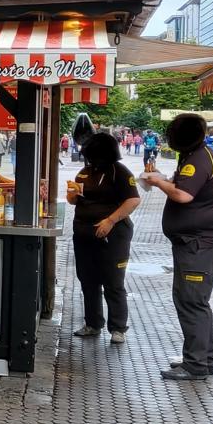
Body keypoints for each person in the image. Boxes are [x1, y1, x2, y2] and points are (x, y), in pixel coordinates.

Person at [141, 113, 213, 381]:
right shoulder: (198, 156)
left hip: (200, 246)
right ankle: (203, 358)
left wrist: (157, 182)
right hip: (199, 244)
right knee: (193, 301)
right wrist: (163, 179)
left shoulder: (198, 160)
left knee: (192, 302)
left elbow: (183, 195)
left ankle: (196, 365)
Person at [67, 133, 141, 344]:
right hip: (84, 234)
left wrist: (110, 220)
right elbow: (72, 200)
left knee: (113, 282)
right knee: (87, 280)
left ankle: (118, 328)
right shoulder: (85, 172)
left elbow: (133, 200)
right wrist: (73, 194)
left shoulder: (120, 172)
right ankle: (93, 323)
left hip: (113, 236)